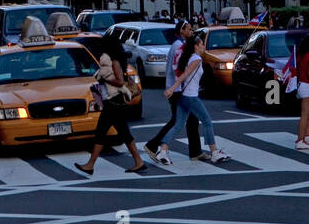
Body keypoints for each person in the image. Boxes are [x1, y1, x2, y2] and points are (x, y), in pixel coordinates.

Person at [74, 32, 147, 176]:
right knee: (123, 133)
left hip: (114, 101)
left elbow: (119, 81)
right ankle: (139, 162)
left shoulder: (113, 60)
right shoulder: (116, 59)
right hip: (115, 101)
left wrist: (103, 78)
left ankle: (90, 165)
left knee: (102, 132)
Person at [155, 34, 229, 165]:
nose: (204, 46)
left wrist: (173, 90)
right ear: (196, 46)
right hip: (190, 96)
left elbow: (183, 75)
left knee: (178, 125)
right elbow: (184, 75)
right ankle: (214, 152)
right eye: (201, 44)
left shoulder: (188, 57)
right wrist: (171, 89)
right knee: (207, 121)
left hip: (183, 96)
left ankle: (163, 150)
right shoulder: (195, 59)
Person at [145, 19, 202, 163]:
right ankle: (153, 144)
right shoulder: (179, 46)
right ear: (181, 31)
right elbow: (177, 68)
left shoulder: (180, 45)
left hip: (178, 88)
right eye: (188, 29)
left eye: (191, 29)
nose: (191, 32)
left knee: (192, 119)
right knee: (177, 120)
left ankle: (195, 152)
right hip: (177, 90)